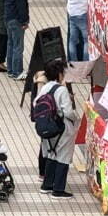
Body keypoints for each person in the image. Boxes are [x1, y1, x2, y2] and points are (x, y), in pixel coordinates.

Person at [36, 60, 79, 198]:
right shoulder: (61, 90)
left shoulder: (45, 87)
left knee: (51, 154)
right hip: (62, 128)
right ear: (59, 74)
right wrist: (76, 118)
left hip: (47, 126)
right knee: (63, 158)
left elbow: (36, 103)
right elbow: (67, 112)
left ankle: (47, 185)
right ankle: (58, 189)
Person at [2, 0, 30, 79]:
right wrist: (24, 20)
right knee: (18, 46)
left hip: (8, 16)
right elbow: (21, 4)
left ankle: (10, 69)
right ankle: (17, 71)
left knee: (11, 44)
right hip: (16, 19)